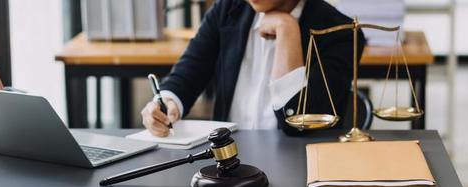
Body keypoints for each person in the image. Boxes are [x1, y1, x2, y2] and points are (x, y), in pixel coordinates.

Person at [141, 0, 366, 137]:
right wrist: (168, 101)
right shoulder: (228, 9)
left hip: (298, 163)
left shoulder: (341, 32)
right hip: (227, 160)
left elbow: (304, 124)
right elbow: (190, 70)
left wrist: (287, 29)